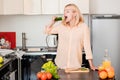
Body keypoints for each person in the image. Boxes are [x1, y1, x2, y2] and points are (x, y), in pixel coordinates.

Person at [45, 4, 97, 70]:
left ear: (75, 14)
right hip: (60, 66)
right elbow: (47, 31)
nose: (64, 13)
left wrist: (91, 65)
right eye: (64, 11)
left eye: (67, 11)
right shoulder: (61, 26)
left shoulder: (83, 27)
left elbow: (87, 47)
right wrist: (52, 22)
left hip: (75, 67)